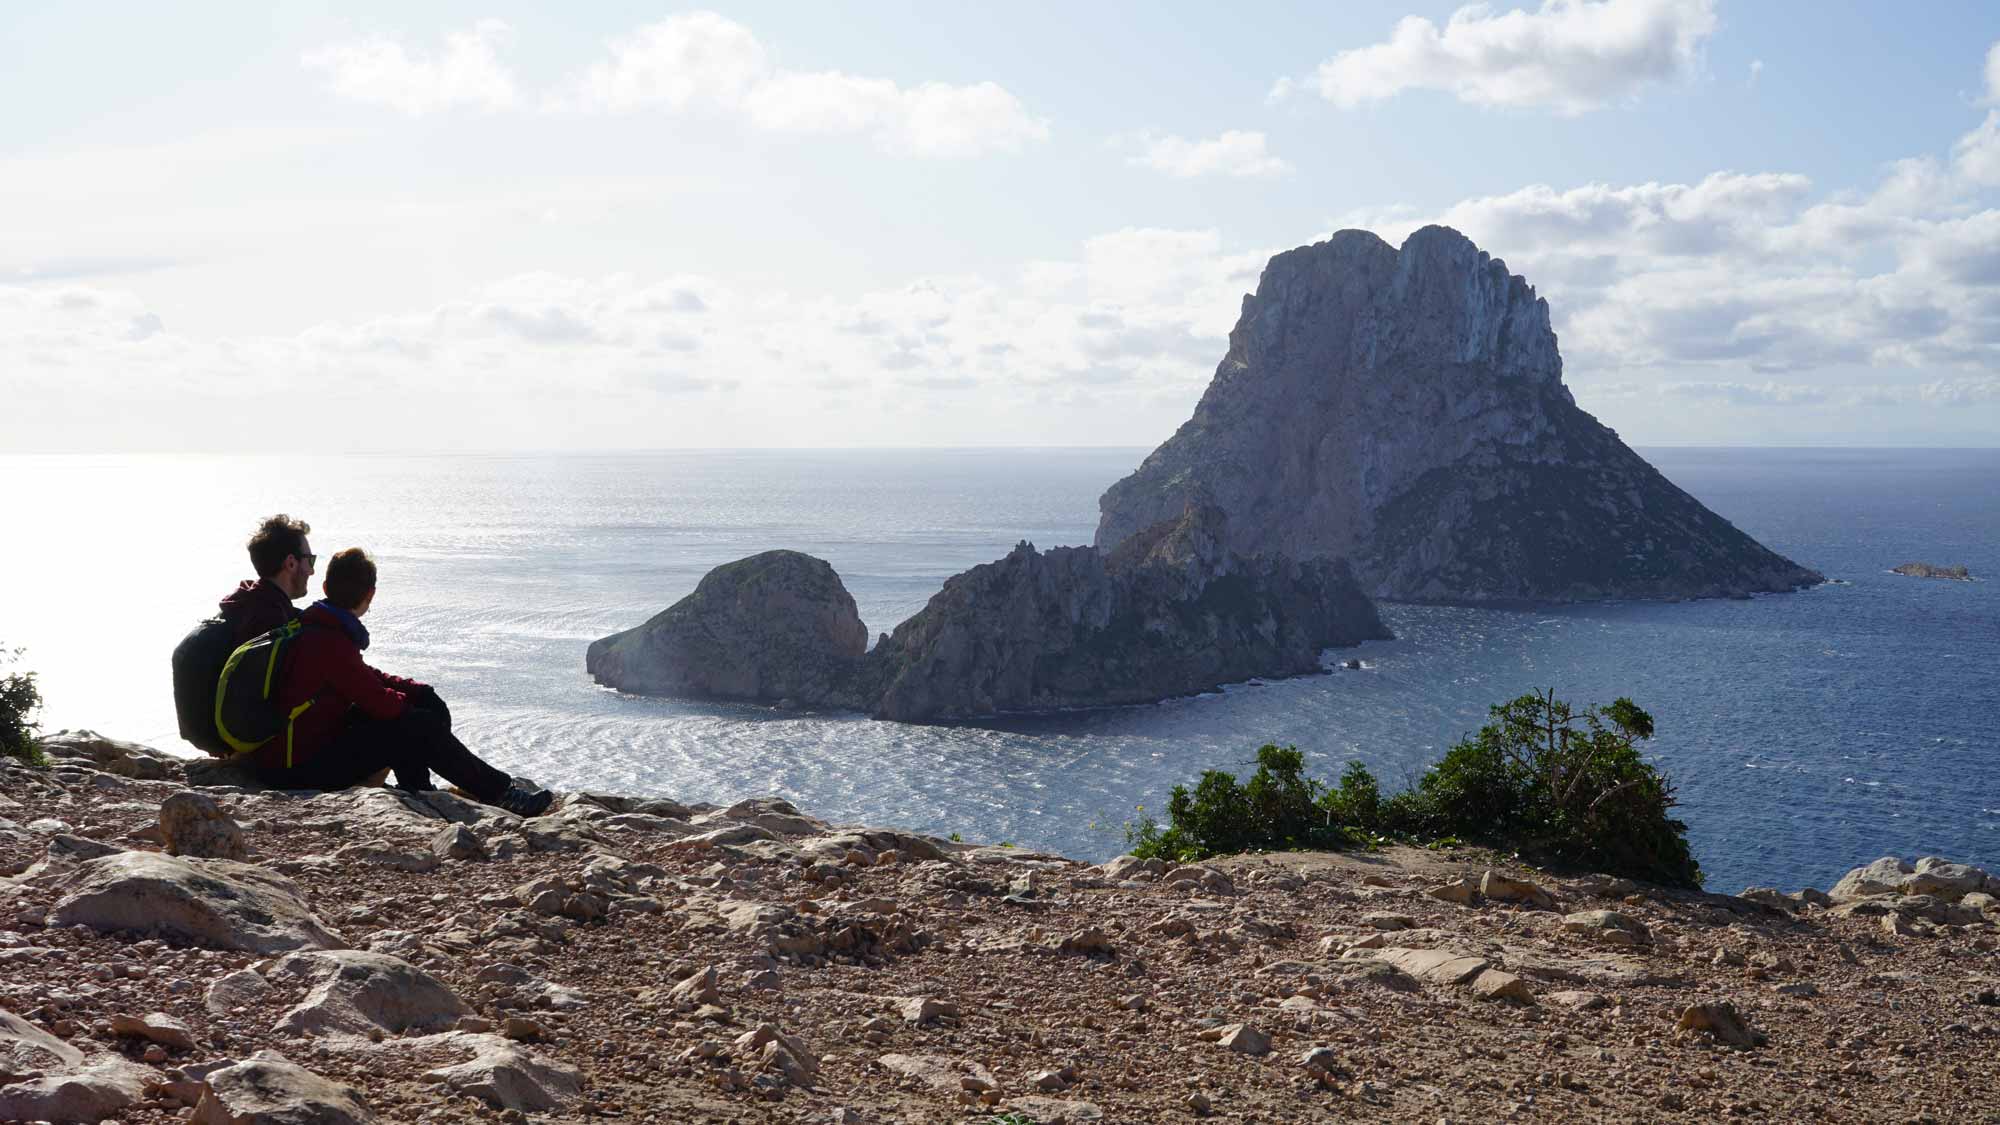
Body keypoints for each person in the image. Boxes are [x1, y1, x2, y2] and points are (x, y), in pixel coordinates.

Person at [255, 547, 554, 817]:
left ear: (325, 588)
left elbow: (363, 675)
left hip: (298, 751)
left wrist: (415, 691)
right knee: (414, 723)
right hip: (297, 769)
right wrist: (414, 711)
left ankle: (419, 788)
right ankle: (501, 793)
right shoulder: (329, 639)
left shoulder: (319, 626)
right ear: (370, 594)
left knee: (420, 705)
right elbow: (379, 702)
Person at [219, 514, 315, 645]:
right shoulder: (274, 624)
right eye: (310, 560)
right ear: (291, 563)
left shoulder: (241, 603)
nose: (312, 571)